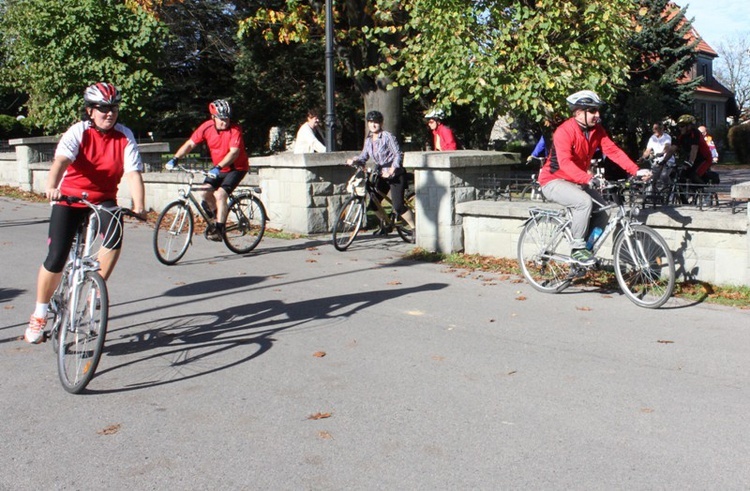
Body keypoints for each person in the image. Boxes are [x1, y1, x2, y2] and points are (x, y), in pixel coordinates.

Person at [25, 83, 146, 344]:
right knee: (56, 257)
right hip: (68, 198)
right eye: (103, 108)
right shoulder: (78, 132)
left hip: (103, 199)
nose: (109, 113)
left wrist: (140, 205)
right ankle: (40, 312)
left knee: (115, 233)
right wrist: (51, 187)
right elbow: (61, 161)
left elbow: (133, 172)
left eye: (113, 108)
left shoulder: (124, 136)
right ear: (90, 110)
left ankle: (95, 287)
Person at [538, 89, 647, 266]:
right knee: (583, 202)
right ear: (579, 113)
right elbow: (565, 163)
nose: (597, 115)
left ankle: (586, 251)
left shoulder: (597, 130)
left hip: (577, 180)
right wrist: (588, 178)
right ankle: (577, 248)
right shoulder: (564, 131)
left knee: (605, 210)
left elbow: (613, 151)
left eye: (597, 110)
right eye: (592, 111)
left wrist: (635, 171)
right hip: (553, 180)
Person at [167, 99, 249, 241]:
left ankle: (219, 229)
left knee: (220, 195)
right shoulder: (206, 127)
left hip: (236, 168)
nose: (225, 121)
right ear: (213, 117)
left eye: (227, 118)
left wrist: (218, 167)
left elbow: (234, 153)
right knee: (205, 192)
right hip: (218, 168)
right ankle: (218, 217)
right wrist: (175, 158)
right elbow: (190, 144)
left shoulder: (235, 130)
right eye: (221, 118)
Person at [346, 110, 415, 234]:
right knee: (373, 203)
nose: (373, 125)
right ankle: (386, 224)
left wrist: (391, 170)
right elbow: (364, 156)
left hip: (395, 174)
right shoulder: (368, 140)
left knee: (398, 206)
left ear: (381, 123)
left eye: (376, 122)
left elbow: (398, 154)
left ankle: (415, 228)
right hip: (380, 174)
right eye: (371, 122)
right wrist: (355, 160)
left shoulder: (387, 136)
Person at [664, 115, 717, 184]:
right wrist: (664, 161)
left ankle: (702, 191)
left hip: (704, 159)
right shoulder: (681, 135)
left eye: (682, 126)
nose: (680, 128)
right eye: (679, 126)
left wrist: (690, 162)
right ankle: (683, 194)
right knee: (678, 176)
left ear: (689, 126)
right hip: (692, 158)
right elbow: (672, 149)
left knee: (694, 175)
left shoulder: (695, 133)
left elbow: (694, 149)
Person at [640, 122, 675, 189]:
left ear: (662, 129)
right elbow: (648, 150)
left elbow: (667, 147)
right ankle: (654, 196)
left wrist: (662, 153)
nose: (654, 130)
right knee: (652, 178)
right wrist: (642, 157)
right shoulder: (652, 138)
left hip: (668, 160)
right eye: (653, 129)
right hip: (657, 161)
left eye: (656, 128)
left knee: (663, 176)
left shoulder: (667, 137)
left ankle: (670, 191)